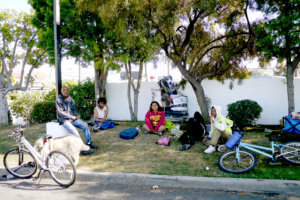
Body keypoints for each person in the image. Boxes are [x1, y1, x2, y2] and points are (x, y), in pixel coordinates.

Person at [56, 86, 98, 155]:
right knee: (75, 133)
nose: (66, 91)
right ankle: (82, 150)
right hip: (64, 120)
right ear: (61, 91)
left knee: (85, 125)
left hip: (72, 118)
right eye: (64, 90)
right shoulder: (59, 100)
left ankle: (89, 143)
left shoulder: (70, 99)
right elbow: (60, 112)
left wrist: (74, 116)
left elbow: (73, 110)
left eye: (67, 90)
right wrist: (70, 117)